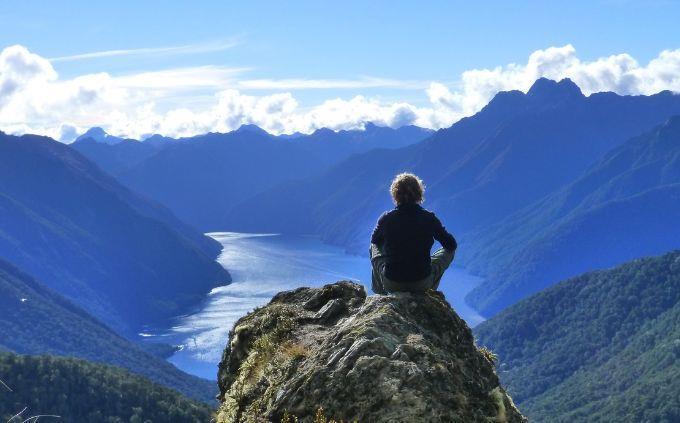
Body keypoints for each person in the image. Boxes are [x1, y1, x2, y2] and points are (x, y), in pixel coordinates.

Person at [370, 173, 457, 294]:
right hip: (421, 283)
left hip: (392, 283)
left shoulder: (387, 218)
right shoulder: (429, 218)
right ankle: (429, 291)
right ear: (419, 194)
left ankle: (380, 293)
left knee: (373, 246)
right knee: (449, 251)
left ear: (395, 195)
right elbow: (451, 245)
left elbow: (375, 241)